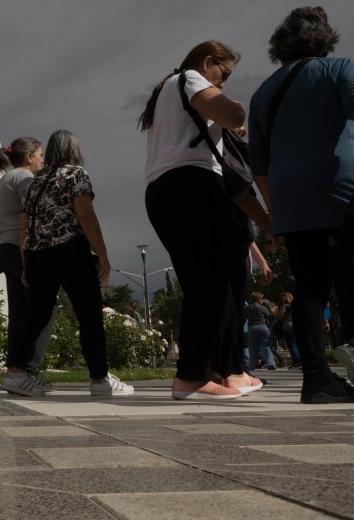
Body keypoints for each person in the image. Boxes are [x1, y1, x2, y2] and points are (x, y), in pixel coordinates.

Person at [248, 7, 354, 401]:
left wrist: (276, 210)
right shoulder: (340, 69)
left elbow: (258, 161)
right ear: (325, 37)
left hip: (291, 200)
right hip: (343, 189)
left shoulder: (262, 93)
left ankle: (317, 380)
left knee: (311, 288)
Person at [139, 41, 255, 400]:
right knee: (210, 282)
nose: (222, 83)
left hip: (164, 190)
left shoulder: (165, 92)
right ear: (207, 63)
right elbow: (233, 116)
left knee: (206, 283)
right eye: (223, 74)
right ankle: (192, 375)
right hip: (193, 185)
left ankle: (222, 371)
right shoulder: (189, 78)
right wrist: (236, 111)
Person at [13, 130, 134, 398]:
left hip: (36, 253)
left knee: (36, 316)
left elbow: (24, 227)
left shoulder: (35, 181)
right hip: (68, 249)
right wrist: (102, 254)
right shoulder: (75, 174)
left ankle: (14, 371)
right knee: (89, 314)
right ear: (74, 149)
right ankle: (100, 379)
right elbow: (86, 215)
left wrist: (26, 263)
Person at [0, 136, 57, 395]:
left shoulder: (7, 178)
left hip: (5, 247)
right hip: (20, 248)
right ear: (29, 156)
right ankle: (25, 369)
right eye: (40, 154)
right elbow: (33, 216)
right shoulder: (25, 179)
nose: (43, 159)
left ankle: (20, 371)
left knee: (22, 310)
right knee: (41, 308)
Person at [246, 292, 276, 370]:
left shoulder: (247, 307)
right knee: (266, 346)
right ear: (259, 299)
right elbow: (269, 315)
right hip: (263, 326)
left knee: (252, 347)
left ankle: (252, 365)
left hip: (251, 327)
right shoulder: (262, 307)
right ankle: (270, 364)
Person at [277, 292, 302, 369]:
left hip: (287, 326)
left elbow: (280, 317)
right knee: (297, 345)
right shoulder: (296, 305)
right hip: (297, 325)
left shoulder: (284, 305)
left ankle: (297, 362)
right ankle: (298, 361)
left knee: (291, 345)